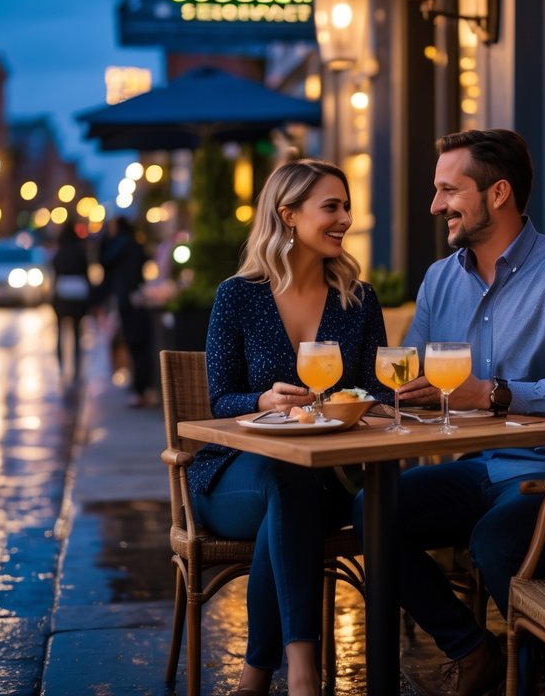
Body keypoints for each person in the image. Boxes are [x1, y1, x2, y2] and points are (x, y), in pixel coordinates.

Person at [354, 129, 545, 696]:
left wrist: (493, 393)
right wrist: (387, 397)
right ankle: (474, 649)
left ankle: (538, 678)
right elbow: (413, 375)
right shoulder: (440, 278)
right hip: (482, 466)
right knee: (372, 511)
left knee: (497, 542)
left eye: (450, 190)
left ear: (498, 194)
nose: (435, 205)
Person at [188, 159, 390, 696]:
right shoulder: (239, 295)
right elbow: (218, 399)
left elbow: (376, 389)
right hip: (233, 476)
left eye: (347, 206)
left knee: (293, 490)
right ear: (289, 215)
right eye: (332, 206)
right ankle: (303, 669)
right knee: (283, 482)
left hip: (323, 474)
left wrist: (375, 398)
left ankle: (255, 676)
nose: (345, 217)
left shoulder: (358, 298)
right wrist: (262, 398)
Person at [98, 216, 155, 406]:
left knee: (135, 342)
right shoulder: (134, 243)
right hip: (136, 297)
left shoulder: (121, 244)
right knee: (138, 343)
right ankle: (141, 386)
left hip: (128, 299)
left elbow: (104, 259)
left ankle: (140, 388)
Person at [51, 222, 92, 384]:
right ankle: (76, 368)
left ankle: (61, 367)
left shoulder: (59, 252)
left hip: (62, 294)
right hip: (78, 295)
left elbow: (55, 272)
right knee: (76, 332)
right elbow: (86, 273)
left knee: (60, 331)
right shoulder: (80, 252)